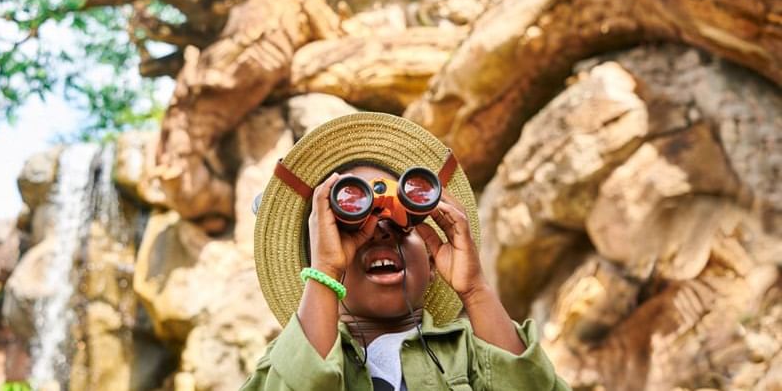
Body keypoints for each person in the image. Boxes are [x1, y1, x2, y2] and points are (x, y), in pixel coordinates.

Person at [242, 112, 570, 390]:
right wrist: (325, 271)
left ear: (431, 262)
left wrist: (475, 289)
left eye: (403, 226)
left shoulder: (473, 352)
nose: (381, 231)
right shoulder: (283, 365)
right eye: (353, 227)